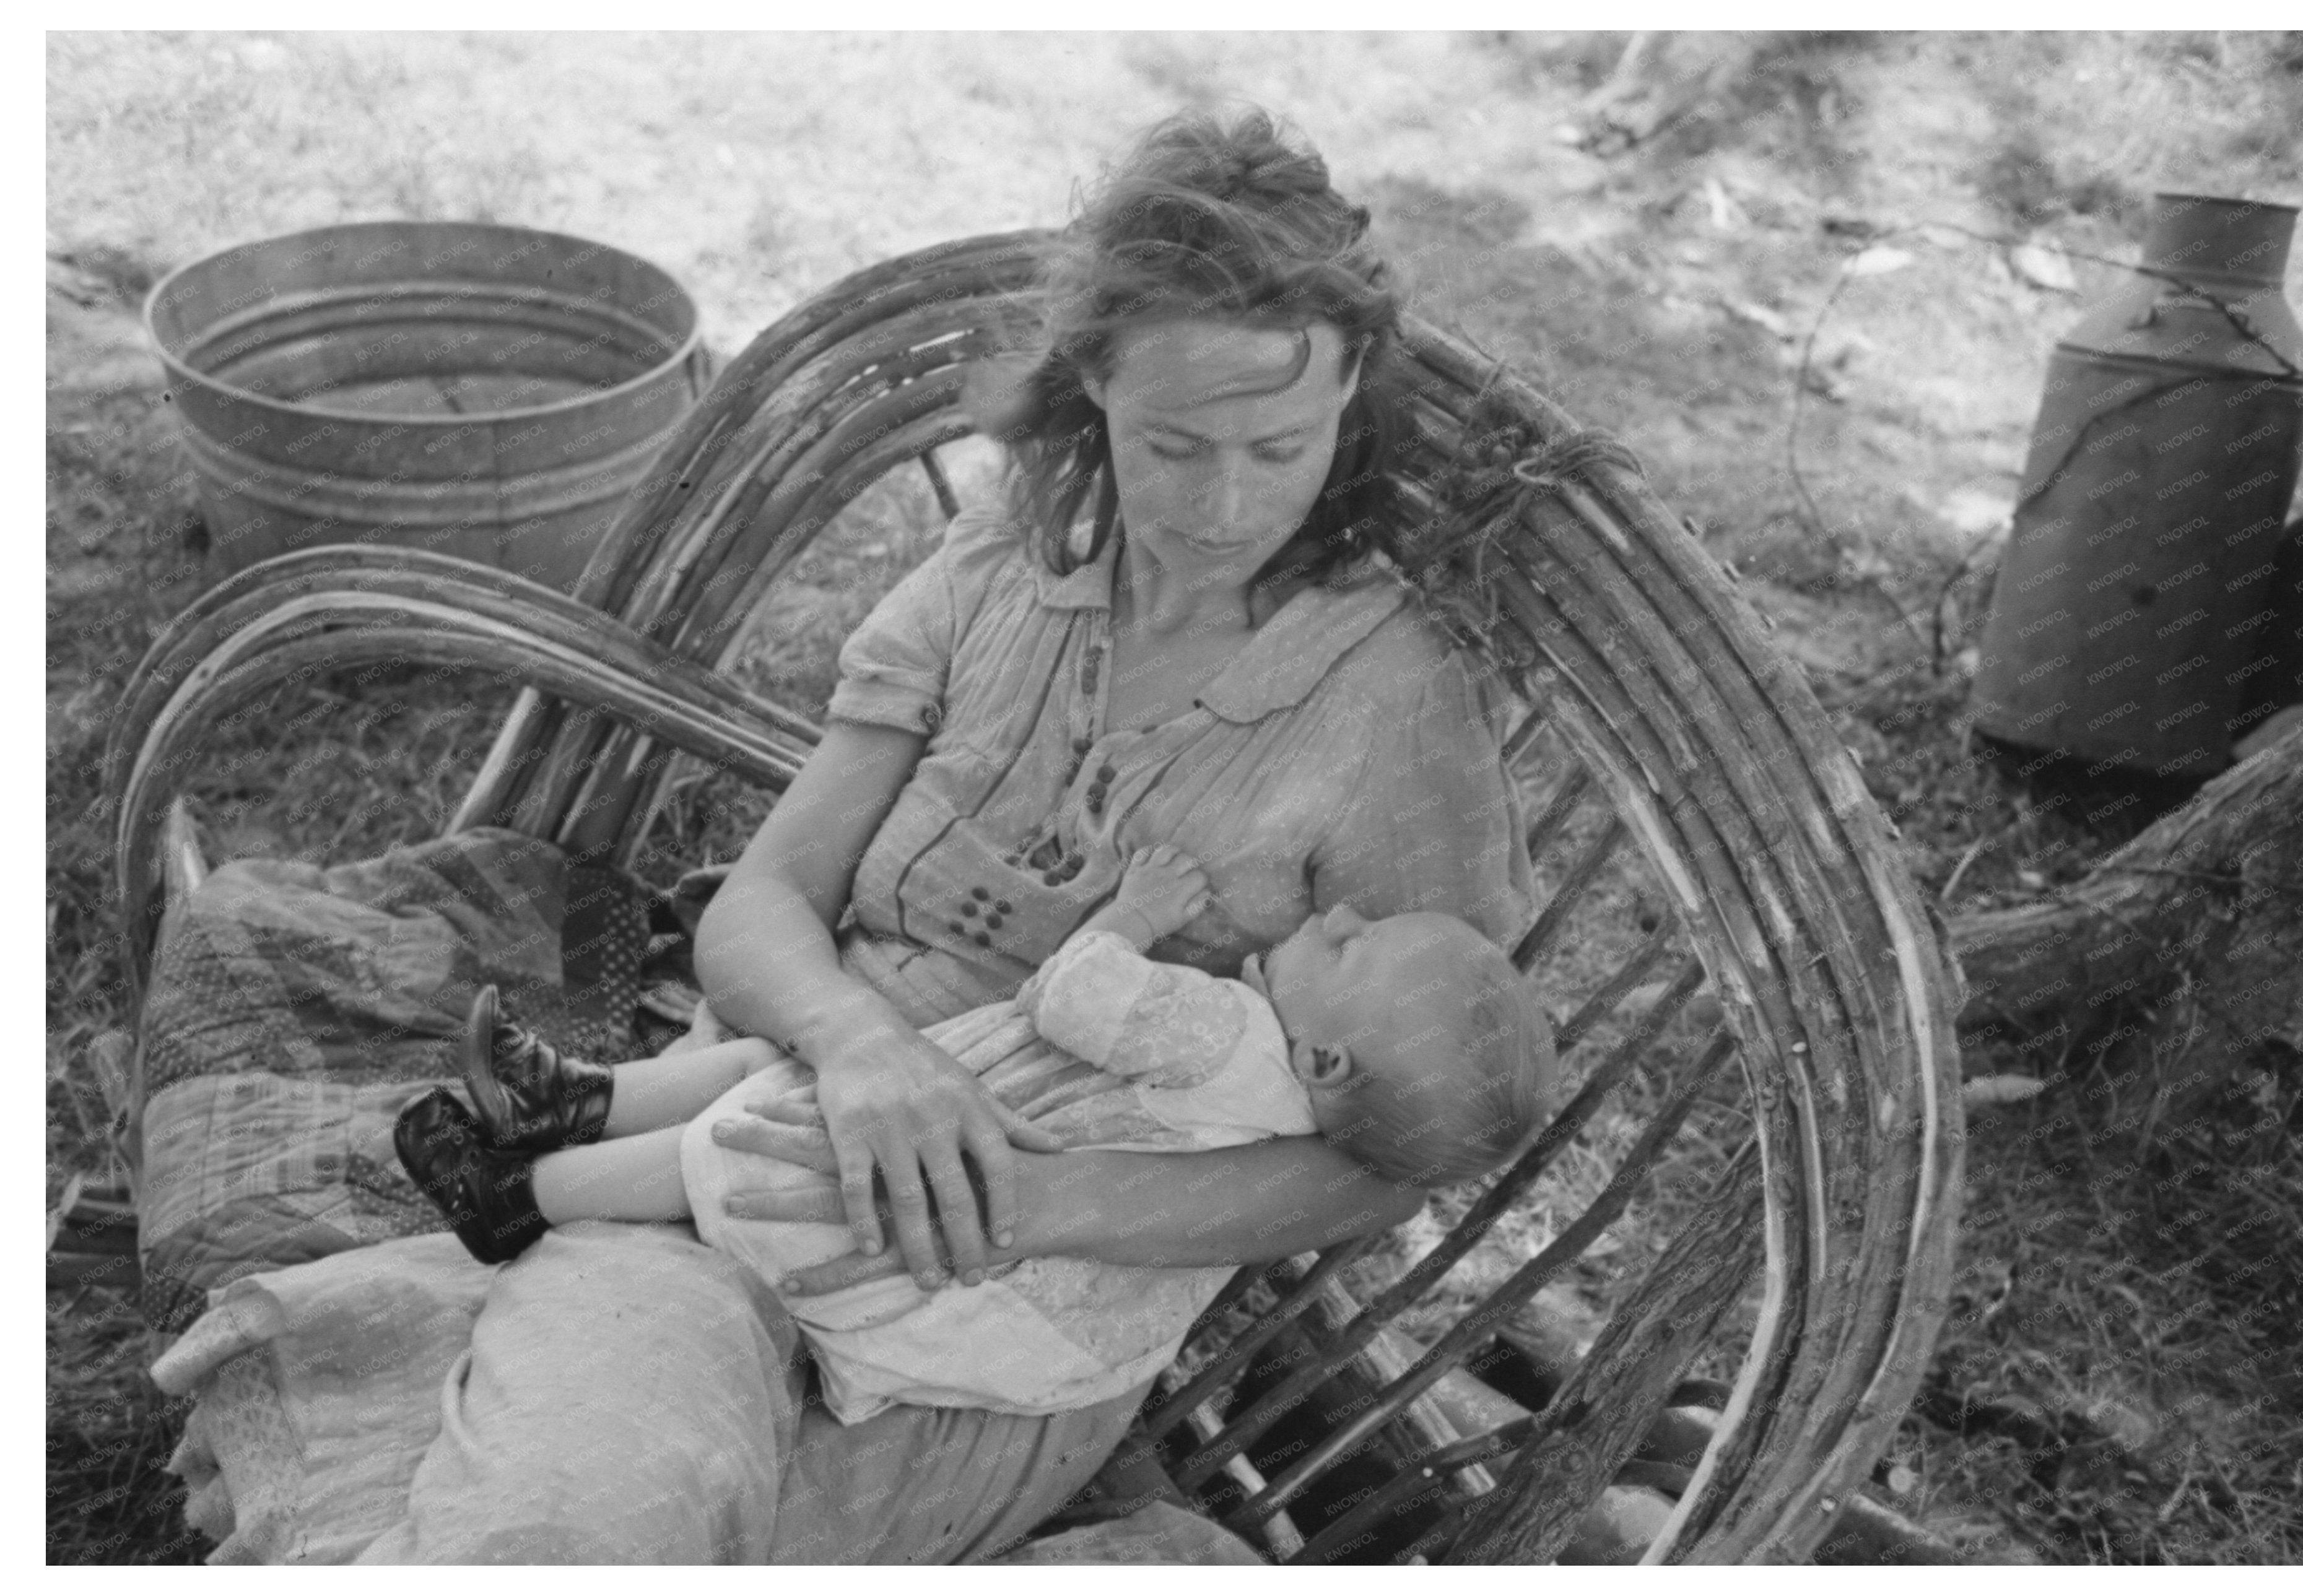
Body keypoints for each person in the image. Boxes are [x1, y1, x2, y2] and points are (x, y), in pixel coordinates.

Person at [354, 107, 1539, 1564]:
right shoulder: (1003, 561)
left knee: (664, 1523)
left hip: (1004, 1305)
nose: (1223, 505)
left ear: (1352, 389)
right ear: (1093, 382)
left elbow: (1404, 1136)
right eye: (1171, 445)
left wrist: (1033, 1200)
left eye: (1278, 445)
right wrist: (862, 1054)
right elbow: (763, 901)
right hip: (758, 1142)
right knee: (573, 1502)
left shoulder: (1393, 696)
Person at [395, 843, 1557, 1421]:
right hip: (983, 1331)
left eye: (1351, 944)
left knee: (750, 1129)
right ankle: (569, 1098)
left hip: (896, 1230)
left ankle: (519, 1194)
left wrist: (1135, 912)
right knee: (776, 1063)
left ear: (1327, 1057)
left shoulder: (1229, 1036)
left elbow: (1073, 993)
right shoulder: (1277, 1114)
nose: (1339, 912)